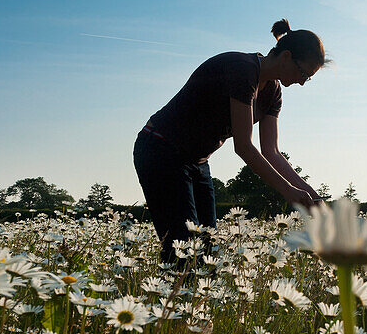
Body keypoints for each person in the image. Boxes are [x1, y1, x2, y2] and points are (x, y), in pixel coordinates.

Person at [134, 19, 325, 265]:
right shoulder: (242, 70)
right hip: (160, 150)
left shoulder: (274, 93)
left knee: (206, 249)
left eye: (307, 79)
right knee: (184, 252)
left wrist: (311, 195)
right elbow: (244, 147)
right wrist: (289, 192)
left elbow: (272, 152)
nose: (301, 81)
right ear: (286, 56)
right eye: (303, 73)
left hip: (197, 162)